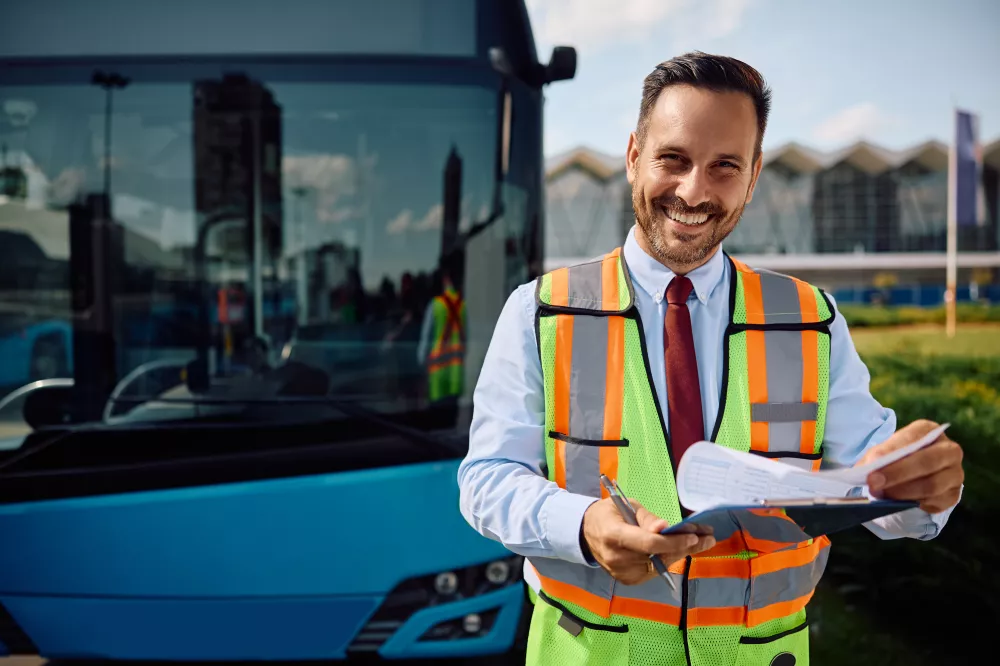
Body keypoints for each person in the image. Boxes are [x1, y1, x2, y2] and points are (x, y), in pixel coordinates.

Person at [457, 52, 964, 666]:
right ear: (633, 156)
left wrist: (924, 490)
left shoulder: (813, 319)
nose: (694, 191)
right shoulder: (540, 311)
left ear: (753, 179)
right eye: (673, 159)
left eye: (725, 166)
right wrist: (583, 525)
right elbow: (486, 480)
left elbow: (878, 492)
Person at [417, 261, 466, 405]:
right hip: (457, 371)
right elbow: (466, 337)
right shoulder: (463, 305)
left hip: (437, 371)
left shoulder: (435, 304)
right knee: (451, 419)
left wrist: (420, 363)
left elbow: (425, 340)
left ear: (444, 279)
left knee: (437, 417)